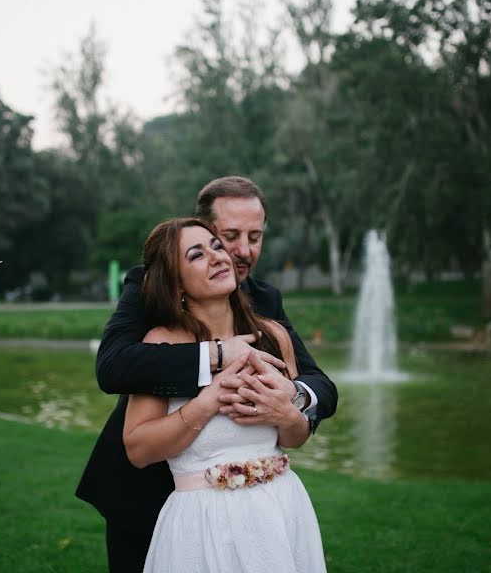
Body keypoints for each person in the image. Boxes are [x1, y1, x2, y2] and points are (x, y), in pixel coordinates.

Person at [76, 176, 337, 572]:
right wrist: (215, 356)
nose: (242, 251)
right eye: (229, 235)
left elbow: (318, 386)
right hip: (149, 497)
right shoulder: (151, 287)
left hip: (267, 509)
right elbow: (113, 365)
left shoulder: (265, 304)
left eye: (256, 236)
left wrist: (287, 400)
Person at [126, 217, 326, 571]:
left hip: (280, 509)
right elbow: (138, 450)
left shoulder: (273, 336)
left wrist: (287, 412)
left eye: (216, 246)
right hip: (201, 523)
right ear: (177, 284)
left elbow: (294, 439)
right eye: (196, 255)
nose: (218, 257)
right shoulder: (161, 344)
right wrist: (208, 401)